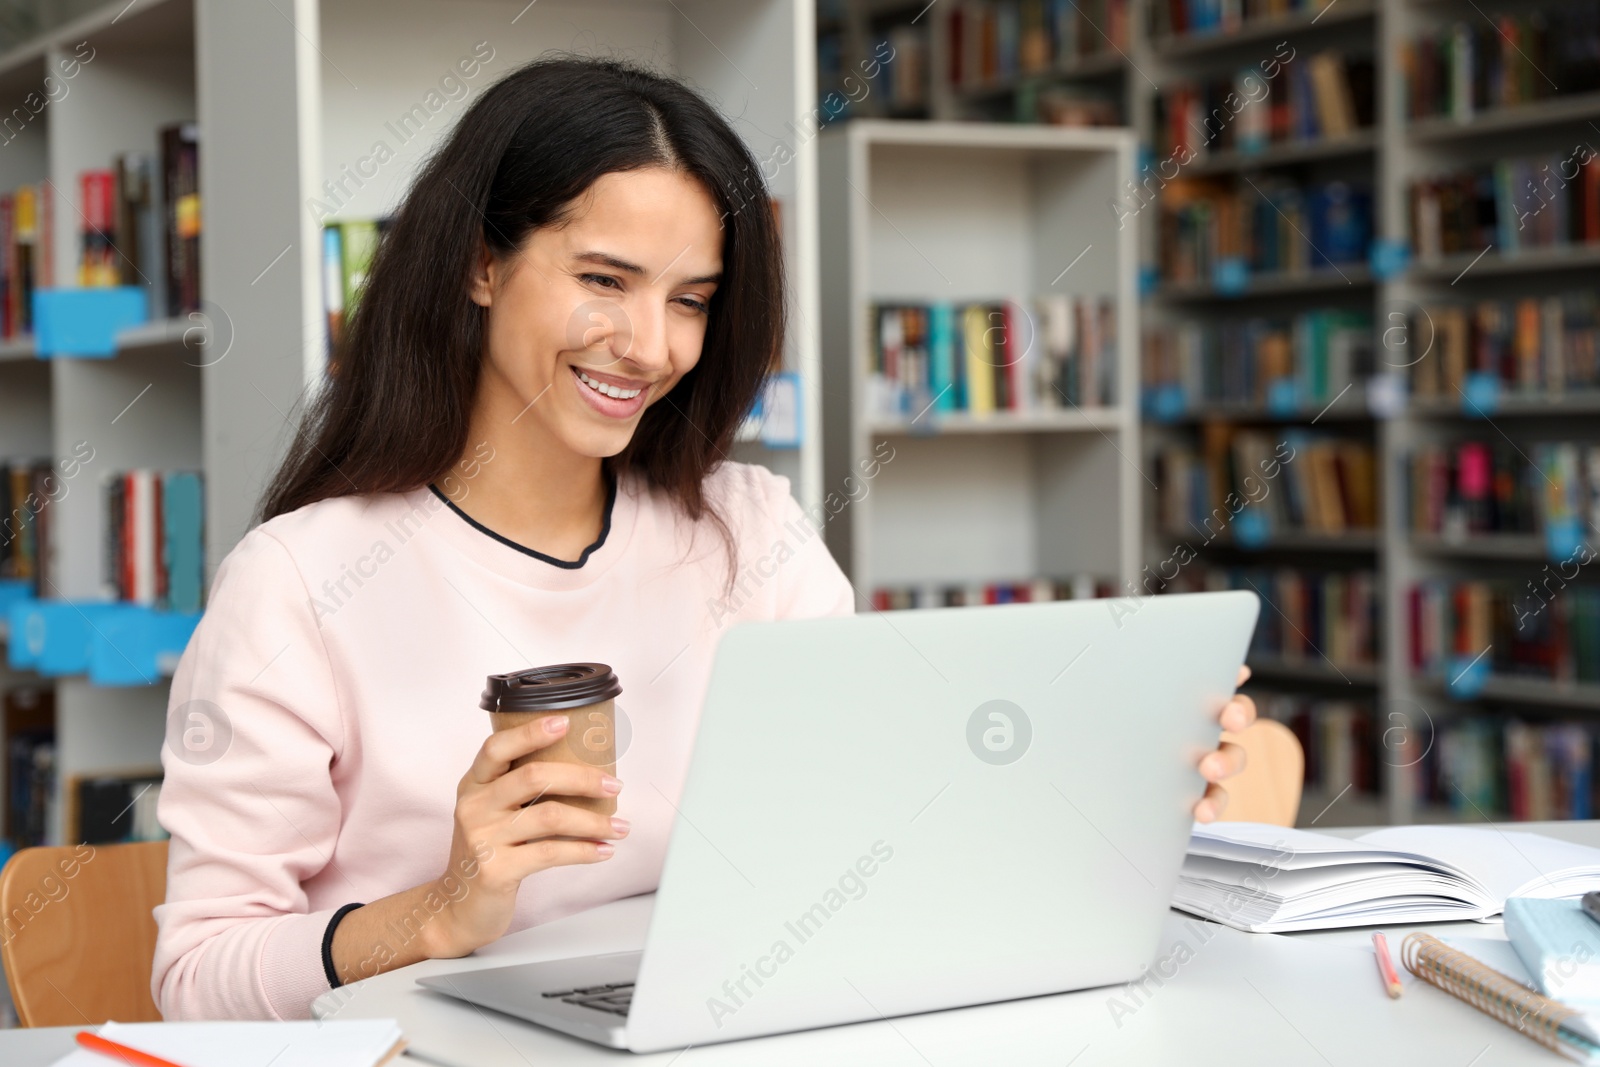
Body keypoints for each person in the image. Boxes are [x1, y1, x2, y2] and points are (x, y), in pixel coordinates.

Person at [151, 56, 1256, 1022]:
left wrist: (1106, 778)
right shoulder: (300, 581)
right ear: (480, 266)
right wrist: (435, 912)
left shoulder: (747, 530)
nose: (650, 344)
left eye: (692, 298)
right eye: (603, 280)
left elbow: (878, 824)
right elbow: (196, 972)